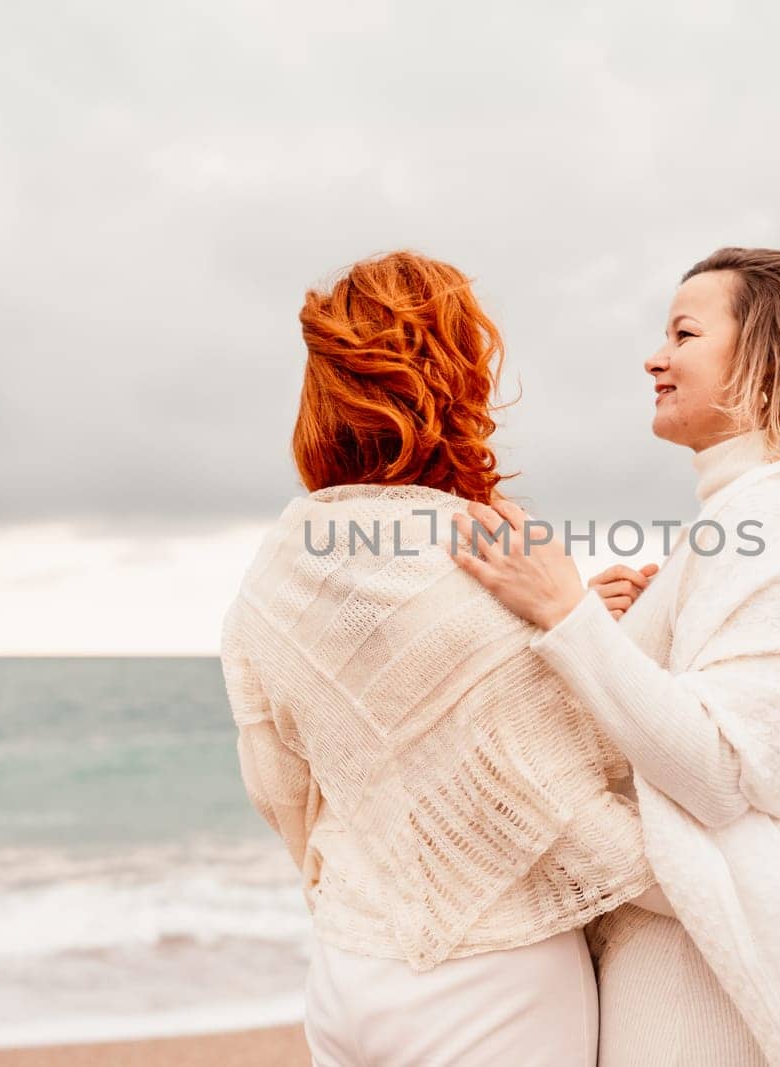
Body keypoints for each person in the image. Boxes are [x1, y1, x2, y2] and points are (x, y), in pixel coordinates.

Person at [218, 251, 665, 1066]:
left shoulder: (278, 567)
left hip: (347, 967)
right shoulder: (491, 548)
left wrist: (572, 628)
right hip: (492, 975)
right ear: (457, 379)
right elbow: (569, 777)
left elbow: (280, 785)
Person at [452, 247, 780, 1066]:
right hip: (670, 939)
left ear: (761, 357)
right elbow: (658, 729)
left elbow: (721, 771)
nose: (655, 356)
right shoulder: (735, 515)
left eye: (684, 333)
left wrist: (565, 612)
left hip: (696, 973)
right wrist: (613, 632)